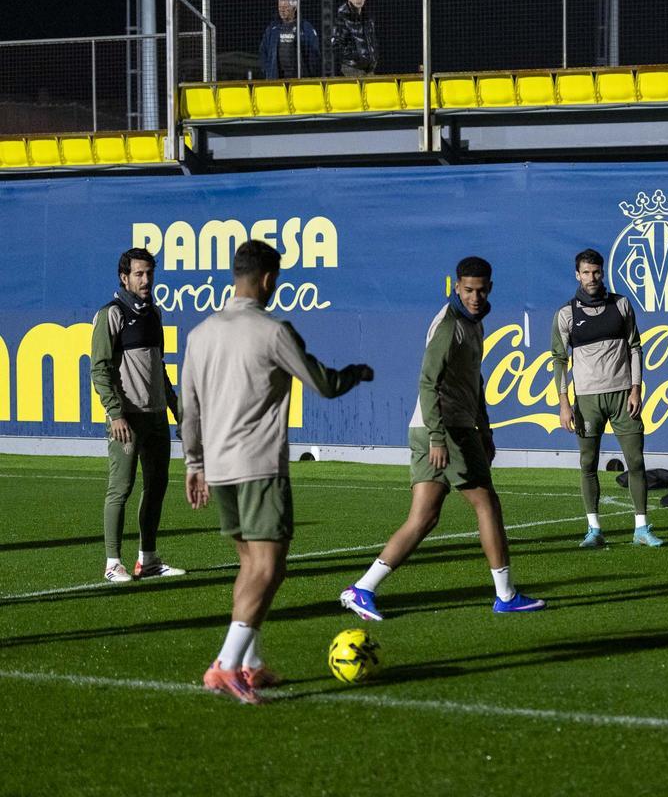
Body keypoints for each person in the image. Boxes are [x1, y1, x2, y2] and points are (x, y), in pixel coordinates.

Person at [181, 240, 372, 704]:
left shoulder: (201, 333)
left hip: (220, 469)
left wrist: (194, 462)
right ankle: (225, 666)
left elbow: (188, 408)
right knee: (270, 567)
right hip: (259, 466)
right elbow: (323, 384)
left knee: (251, 564)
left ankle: (250, 663)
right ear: (267, 279)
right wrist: (357, 372)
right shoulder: (271, 331)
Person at [340, 257, 545, 621]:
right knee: (487, 505)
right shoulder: (450, 326)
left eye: (481, 290)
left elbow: (474, 382)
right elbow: (427, 382)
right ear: (456, 286)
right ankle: (506, 595)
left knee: (424, 518)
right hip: (444, 429)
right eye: (468, 290)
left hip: (444, 427)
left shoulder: (474, 323)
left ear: (490, 288)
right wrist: (438, 436)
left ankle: (362, 588)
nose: (475, 297)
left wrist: (485, 428)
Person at [550, 248, 659, 548]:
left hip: (623, 396)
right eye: (586, 272)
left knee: (635, 461)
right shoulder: (566, 314)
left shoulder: (622, 305)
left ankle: (641, 528)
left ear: (603, 272)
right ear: (577, 275)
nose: (592, 277)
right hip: (586, 401)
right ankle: (594, 530)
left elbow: (635, 347)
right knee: (588, 464)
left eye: (596, 272)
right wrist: (563, 403)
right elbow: (559, 359)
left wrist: (636, 389)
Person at [90, 248, 186, 584]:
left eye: (149, 273)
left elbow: (158, 368)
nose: (146, 280)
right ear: (124, 277)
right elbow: (99, 369)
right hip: (126, 419)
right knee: (121, 488)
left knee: (157, 485)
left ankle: (148, 559)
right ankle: (112, 562)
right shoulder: (111, 314)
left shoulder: (153, 314)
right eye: (139, 274)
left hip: (157, 416)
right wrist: (115, 414)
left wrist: (176, 409)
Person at [259, 0, 320, 80]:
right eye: (280, 7)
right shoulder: (272, 29)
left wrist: (309, 74)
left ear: (294, 8)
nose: (282, 10)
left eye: (285, 7)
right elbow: (263, 51)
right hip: (276, 79)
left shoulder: (305, 28)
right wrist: (268, 71)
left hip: (299, 79)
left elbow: (314, 53)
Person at [331, 0, 378, 77]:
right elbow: (336, 45)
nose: (359, 0)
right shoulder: (342, 18)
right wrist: (355, 57)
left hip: (369, 68)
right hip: (352, 69)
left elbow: (372, 40)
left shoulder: (368, 17)